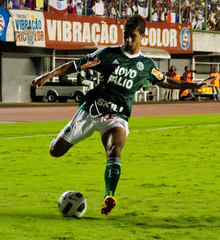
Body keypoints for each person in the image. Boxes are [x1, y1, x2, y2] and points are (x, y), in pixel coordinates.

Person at [32, 15, 214, 216]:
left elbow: (166, 81)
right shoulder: (108, 54)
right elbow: (75, 66)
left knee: (115, 149)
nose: (128, 41)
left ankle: (109, 196)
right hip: (91, 111)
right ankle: (63, 139)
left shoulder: (146, 65)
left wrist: (194, 85)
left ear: (143, 36)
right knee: (55, 151)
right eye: (125, 36)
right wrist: (48, 76)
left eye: (132, 36)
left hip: (117, 117)